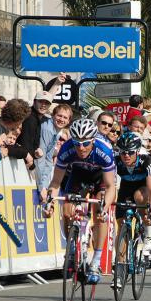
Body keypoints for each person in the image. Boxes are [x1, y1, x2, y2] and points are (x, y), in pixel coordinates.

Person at [43, 118, 116, 284]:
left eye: (85, 143)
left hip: (100, 177)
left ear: (93, 140)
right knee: (67, 208)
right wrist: (50, 202)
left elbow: (111, 186)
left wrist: (104, 208)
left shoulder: (103, 150)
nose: (81, 148)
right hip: (78, 173)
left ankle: (96, 261)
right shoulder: (67, 149)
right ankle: (71, 251)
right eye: (77, 143)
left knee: (99, 211)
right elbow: (55, 183)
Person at [113, 132, 151, 287]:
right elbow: (108, 183)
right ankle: (119, 271)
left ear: (137, 151)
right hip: (126, 185)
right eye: (123, 152)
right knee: (121, 228)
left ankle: (149, 235)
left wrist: (150, 214)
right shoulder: (116, 160)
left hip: (145, 185)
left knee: (140, 197)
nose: (126, 155)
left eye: (130, 152)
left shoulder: (147, 161)